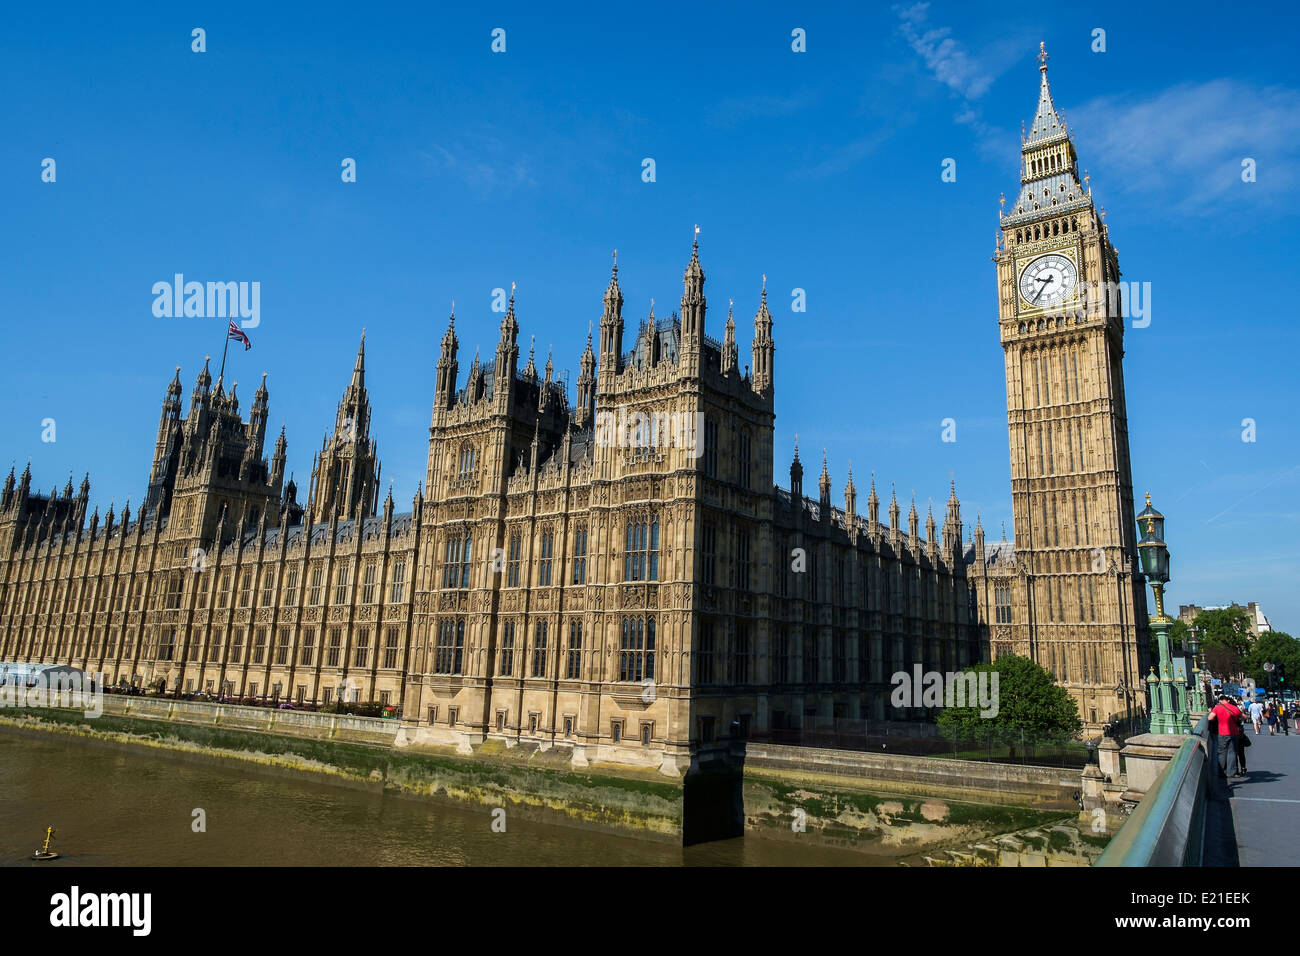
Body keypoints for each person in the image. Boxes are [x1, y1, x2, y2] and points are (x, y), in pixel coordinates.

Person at [1210, 694, 1247, 778]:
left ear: (1220, 700)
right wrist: (1238, 719)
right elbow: (1244, 717)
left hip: (1222, 732)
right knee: (1232, 752)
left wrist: (1218, 719)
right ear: (1228, 700)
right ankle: (1231, 772)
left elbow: (1210, 718)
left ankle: (1222, 771)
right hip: (1234, 733)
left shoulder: (1217, 708)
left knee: (1222, 752)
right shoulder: (1234, 707)